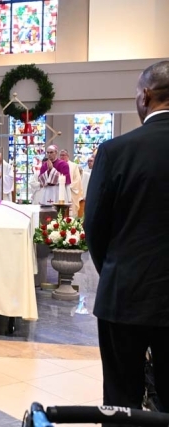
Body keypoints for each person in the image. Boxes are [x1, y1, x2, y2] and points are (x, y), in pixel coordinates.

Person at [85, 60, 169, 418]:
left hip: (126, 293)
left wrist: (118, 268)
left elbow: (94, 225)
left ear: (146, 96)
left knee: (121, 400)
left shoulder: (116, 150)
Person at [59, 149, 83, 217]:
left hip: (70, 190)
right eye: (60, 155)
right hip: (60, 191)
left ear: (68, 156)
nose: (62, 157)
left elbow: (77, 179)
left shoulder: (73, 165)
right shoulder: (58, 165)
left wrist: (69, 186)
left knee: (71, 211)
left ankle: (71, 225)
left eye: (63, 155)